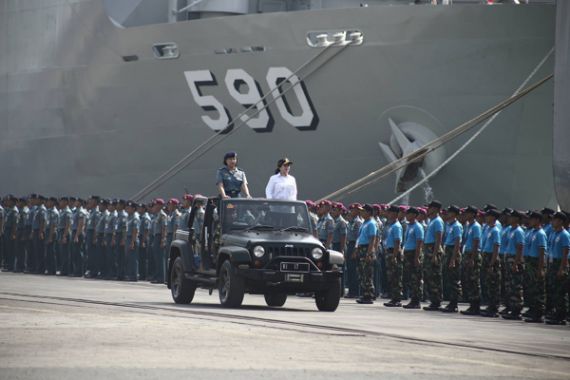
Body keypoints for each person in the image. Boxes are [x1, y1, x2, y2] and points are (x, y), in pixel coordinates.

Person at [522, 211, 547, 323]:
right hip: (530, 262)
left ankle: (538, 314)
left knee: (538, 289)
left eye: (532, 219)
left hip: (537, 262)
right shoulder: (532, 232)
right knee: (531, 287)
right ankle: (533, 310)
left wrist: (541, 268)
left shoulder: (541, 234)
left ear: (537, 220)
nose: (529, 221)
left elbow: (542, 252)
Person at [545, 212, 569, 325]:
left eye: (554, 219)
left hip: (560, 263)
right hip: (552, 263)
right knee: (553, 290)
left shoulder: (564, 235)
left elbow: (565, 253)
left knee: (560, 291)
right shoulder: (553, 233)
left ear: (560, 221)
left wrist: (562, 268)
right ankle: (556, 311)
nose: (552, 221)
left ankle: (561, 315)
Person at [502, 210, 526, 320]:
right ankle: (511, 307)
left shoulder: (518, 231)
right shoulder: (511, 230)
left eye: (512, 217)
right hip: (509, 258)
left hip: (514, 260)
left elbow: (520, 248)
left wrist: (516, 263)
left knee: (516, 286)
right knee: (510, 285)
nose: (509, 218)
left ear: (516, 219)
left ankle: (517, 310)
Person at [440, 205, 463, 313]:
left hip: (453, 251)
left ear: (454, 214)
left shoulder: (457, 226)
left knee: (453, 278)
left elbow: (458, 243)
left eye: (449, 212)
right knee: (448, 277)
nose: (447, 214)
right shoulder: (449, 225)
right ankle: (451, 302)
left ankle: (454, 303)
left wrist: (453, 259)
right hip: (448, 251)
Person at [460, 206, 482, 315]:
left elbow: (476, 242)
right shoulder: (469, 226)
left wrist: (472, 258)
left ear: (473, 214)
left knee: (474, 280)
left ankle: (475, 306)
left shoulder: (476, 227)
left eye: (468, 213)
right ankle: (471, 304)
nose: (465, 215)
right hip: (467, 253)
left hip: (472, 254)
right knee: (468, 279)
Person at [423, 201, 445, 311]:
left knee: (435, 276)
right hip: (428, 249)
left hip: (433, 249)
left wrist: (435, 254)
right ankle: (433, 300)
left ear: (435, 209)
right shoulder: (432, 221)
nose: (428, 209)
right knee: (429, 276)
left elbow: (438, 239)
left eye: (430, 208)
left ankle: (437, 301)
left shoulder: (437, 221)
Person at [480, 209, 502, 318]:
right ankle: (490, 305)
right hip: (486, 256)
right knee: (488, 283)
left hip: (491, 257)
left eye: (488, 216)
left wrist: (492, 264)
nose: (486, 217)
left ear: (493, 217)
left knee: (493, 283)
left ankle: (494, 308)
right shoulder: (488, 229)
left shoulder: (495, 230)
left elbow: (496, 248)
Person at [355, 204, 378, 304]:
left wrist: (369, 253)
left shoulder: (371, 223)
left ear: (368, 212)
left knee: (367, 273)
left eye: (363, 211)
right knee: (362, 273)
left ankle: (368, 295)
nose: (361, 213)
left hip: (366, 249)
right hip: (361, 248)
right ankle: (366, 293)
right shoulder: (365, 223)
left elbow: (372, 239)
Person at [402, 207, 424, 309]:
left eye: (409, 214)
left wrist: (417, 257)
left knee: (416, 278)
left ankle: (416, 301)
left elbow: (419, 242)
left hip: (414, 253)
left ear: (414, 215)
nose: (407, 215)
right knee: (410, 278)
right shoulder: (409, 226)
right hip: (408, 253)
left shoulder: (417, 227)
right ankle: (413, 299)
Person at [383, 205, 403, 308]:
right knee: (391, 276)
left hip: (394, 251)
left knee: (396, 276)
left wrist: (395, 256)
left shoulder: (396, 226)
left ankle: (397, 299)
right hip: (389, 251)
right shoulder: (391, 225)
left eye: (390, 212)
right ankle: (393, 297)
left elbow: (397, 242)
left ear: (395, 214)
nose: (388, 214)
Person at [346, 203, 363, 298]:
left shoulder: (358, 222)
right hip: (350, 245)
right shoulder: (351, 221)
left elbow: (358, 238)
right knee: (350, 269)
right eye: (351, 210)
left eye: (353, 210)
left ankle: (355, 291)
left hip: (354, 246)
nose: (351, 211)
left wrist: (355, 251)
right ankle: (351, 291)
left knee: (354, 270)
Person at [151, 198, 168, 284]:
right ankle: (157, 276)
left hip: (159, 237)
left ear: (160, 205)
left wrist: (163, 240)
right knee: (156, 258)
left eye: (156, 204)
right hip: (156, 236)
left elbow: (164, 228)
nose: (155, 206)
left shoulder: (162, 215)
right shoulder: (156, 215)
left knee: (160, 258)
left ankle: (161, 278)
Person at [124, 201, 140, 282]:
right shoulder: (128, 216)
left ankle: (134, 275)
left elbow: (135, 230)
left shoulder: (135, 217)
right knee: (129, 258)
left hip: (132, 238)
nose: (127, 209)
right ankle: (130, 274)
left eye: (129, 208)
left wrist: (133, 242)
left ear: (133, 208)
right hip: (128, 238)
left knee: (133, 259)